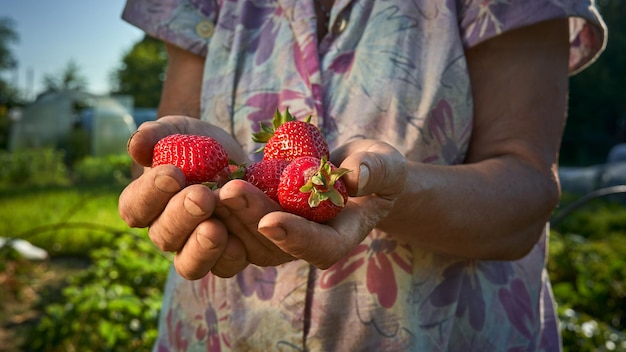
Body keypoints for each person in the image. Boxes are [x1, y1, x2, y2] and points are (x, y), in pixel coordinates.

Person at [118, 1, 606, 350]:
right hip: (216, 333)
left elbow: (525, 190)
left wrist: (390, 192)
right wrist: (170, 184)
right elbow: (169, 153)